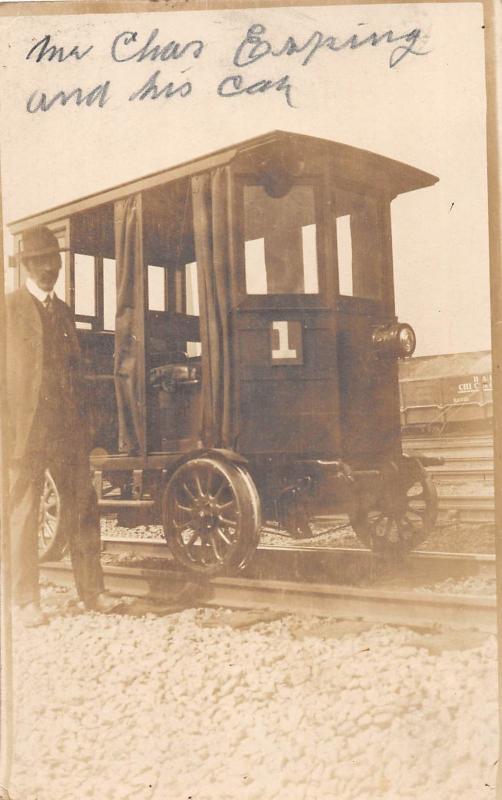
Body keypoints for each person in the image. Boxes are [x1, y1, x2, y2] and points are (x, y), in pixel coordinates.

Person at [5, 225, 121, 627]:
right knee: (23, 514)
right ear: (25, 266)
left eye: (52, 261)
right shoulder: (9, 310)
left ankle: (94, 592)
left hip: (67, 430)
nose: (46, 269)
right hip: (27, 433)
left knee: (84, 508)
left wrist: (86, 428)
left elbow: (77, 374)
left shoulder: (65, 312)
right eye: (38, 262)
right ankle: (24, 602)